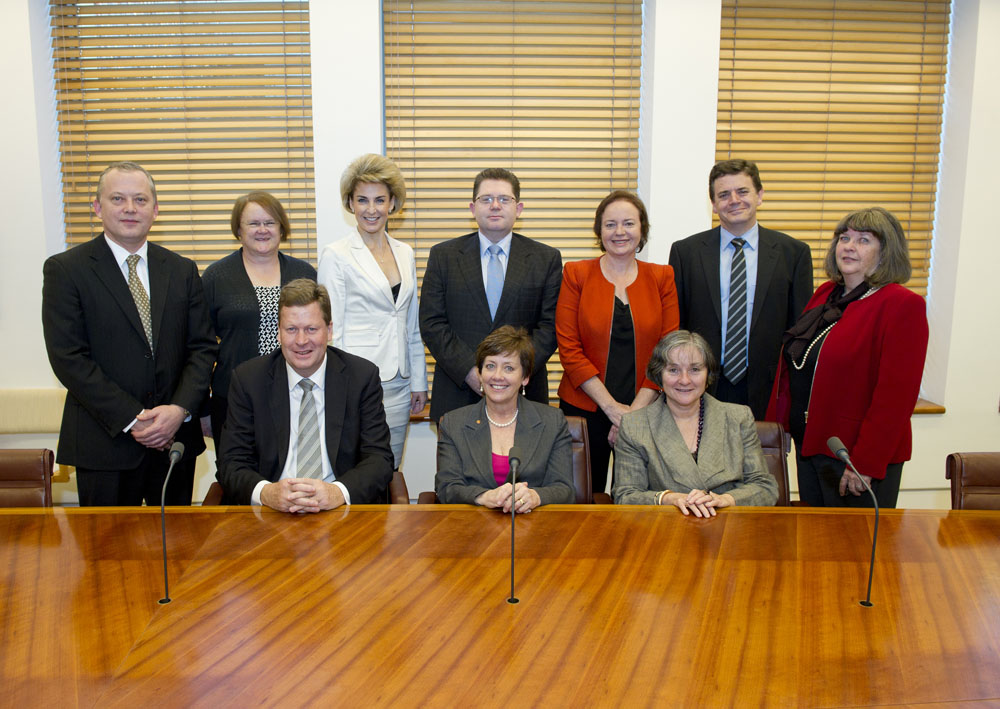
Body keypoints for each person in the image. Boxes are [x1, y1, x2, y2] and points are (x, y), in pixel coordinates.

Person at [41, 161, 217, 506]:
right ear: (97, 207)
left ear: (155, 209)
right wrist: (131, 419)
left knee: (177, 553)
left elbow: (202, 348)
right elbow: (68, 358)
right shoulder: (66, 270)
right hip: (104, 442)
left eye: (140, 200)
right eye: (117, 198)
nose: (129, 208)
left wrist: (178, 410)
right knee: (108, 558)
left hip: (174, 444)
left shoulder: (181, 269)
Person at [767, 207, 928, 508]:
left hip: (854, 457)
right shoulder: (827, 294)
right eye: (844, 238)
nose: (849, 246)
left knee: (855, 552)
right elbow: (799, 365)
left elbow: (895, 398)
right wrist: (780, 425)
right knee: (816, 547)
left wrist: (865, 463)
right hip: (812, 445)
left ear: (886, 252)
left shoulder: (902, 305)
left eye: (864, 240)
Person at [217, 279, 393, 512]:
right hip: (271, 512)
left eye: (311, 329)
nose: (301, 341)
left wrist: (337, 492)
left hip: (340, 511)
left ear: (329, 330)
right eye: (291, 329)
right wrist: (267, 492)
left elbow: (379, 459)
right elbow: (231, 463)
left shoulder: (361, 378)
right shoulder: (249, 380)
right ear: (279, 331)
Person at [668, 159, 812, 420]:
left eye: (742, 191)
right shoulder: (685, 253)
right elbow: (677, 325)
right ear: (713, 203)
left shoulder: (793, 254)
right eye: (723, 194)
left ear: (759, 195)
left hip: (766, 389)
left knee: (760, 461)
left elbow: (800, 333)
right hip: (701, 386)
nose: (734, 200)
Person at [556, 190, 679, 495]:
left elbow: (669, 352)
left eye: (628, 223)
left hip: (648, 408)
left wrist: (632, 415)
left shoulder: (662, 277)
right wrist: (612, 409)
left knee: (640, 502)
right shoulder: (576, 274)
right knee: (582, 501)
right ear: (599, 231)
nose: (620, 232)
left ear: (642, 229)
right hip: (585, 406)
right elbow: (569, 349)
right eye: (610, 224)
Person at [419, 168, 562, 421]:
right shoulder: (444, 256)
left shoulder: (545, 258)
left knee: (524, 461)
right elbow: (432, 323)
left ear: (518, 208)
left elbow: (550, 327)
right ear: (473, 208)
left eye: (504, 199)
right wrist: (470, 372)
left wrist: (513, 372)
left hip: (524, 395)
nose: (495, 205)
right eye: (486, 199)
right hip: (458, 391)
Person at [318, 154, 427, 470]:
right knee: (355, 471)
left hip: (399, 385)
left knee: (389, 469)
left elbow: (410, 321)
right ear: (350, 204)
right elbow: (329, 327)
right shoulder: (335, 255)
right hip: (356, 383)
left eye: (380, 200)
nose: (371, 209)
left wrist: (418, 380)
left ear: (393, 203)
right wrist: (337, 387)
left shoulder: (405, 252)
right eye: (362, 200)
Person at [613, 330, 777, 515]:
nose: (685, 380)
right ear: (659, 375)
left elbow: (765, 488)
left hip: (729, 528)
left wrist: (725, 500)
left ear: (708, 374)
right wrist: (668, 498)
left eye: (695, 369)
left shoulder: (738, 418)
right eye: (673, 370)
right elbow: (625, 496)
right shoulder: (635, 425)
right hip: (666, 531)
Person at [201, 191, 316, 453]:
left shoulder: (304, 273)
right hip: (232, 399)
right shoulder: (216, 276)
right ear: (239, 230)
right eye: (253, 223)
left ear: (281, 228)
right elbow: (200, 346)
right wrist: (201, 407)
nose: (262, 230)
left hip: (296, 396)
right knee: (238, 476)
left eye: (270, 222)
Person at [435, 326, 574, 511]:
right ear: (480, 373)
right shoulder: (454, 424)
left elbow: (564, 489)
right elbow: (446, 488)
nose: (497, 376)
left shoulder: (552, 422)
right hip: (472, 530)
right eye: (490, 366)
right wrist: (484, 497)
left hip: (535, 528)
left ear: (524, 377)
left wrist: (535, 496)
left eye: (509, 368)